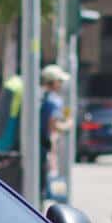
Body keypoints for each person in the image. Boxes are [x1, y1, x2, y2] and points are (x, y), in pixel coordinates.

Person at [38, 64, 72, 201]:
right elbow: (54, 125)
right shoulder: (54, 100)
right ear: (53, 82)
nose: (62, 84)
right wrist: (68, 124)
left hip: (36, 147)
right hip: (44, 147)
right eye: (60, 81)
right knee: (43, 186)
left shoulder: (38, 95)